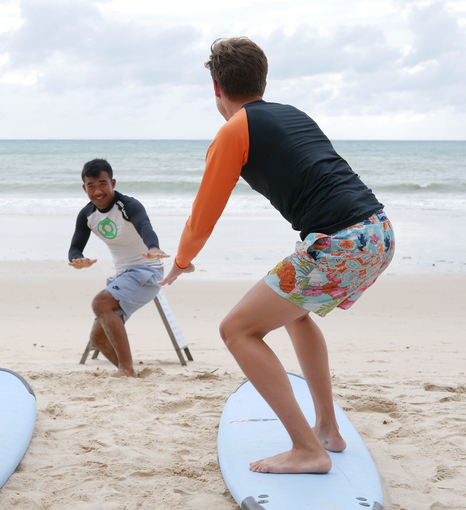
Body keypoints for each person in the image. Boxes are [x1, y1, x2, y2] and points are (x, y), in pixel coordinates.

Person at [159, 37, 395, 474]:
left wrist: (179, 261)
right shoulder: (293, 114)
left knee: (237, 330)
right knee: (294, 312)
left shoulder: (234, 130)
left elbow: (204, 211)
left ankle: (309, 449)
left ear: (216, 88)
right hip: (377, 232)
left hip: (339, 241)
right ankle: (328, 428)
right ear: (264, 81)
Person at [69, 158, 169, 378]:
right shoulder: (87, 215)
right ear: (84, 187)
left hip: (147, 271)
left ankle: (126, 368)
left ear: (112, 182)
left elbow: (144, 225)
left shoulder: (128, 206)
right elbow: (75, 247)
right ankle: (130, 375)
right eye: (91, 186)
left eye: (103, 184)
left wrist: (153, 247)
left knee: (100, 302)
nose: (97, 191)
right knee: (98, 339)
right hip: (122, 276)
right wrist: (77, 260)